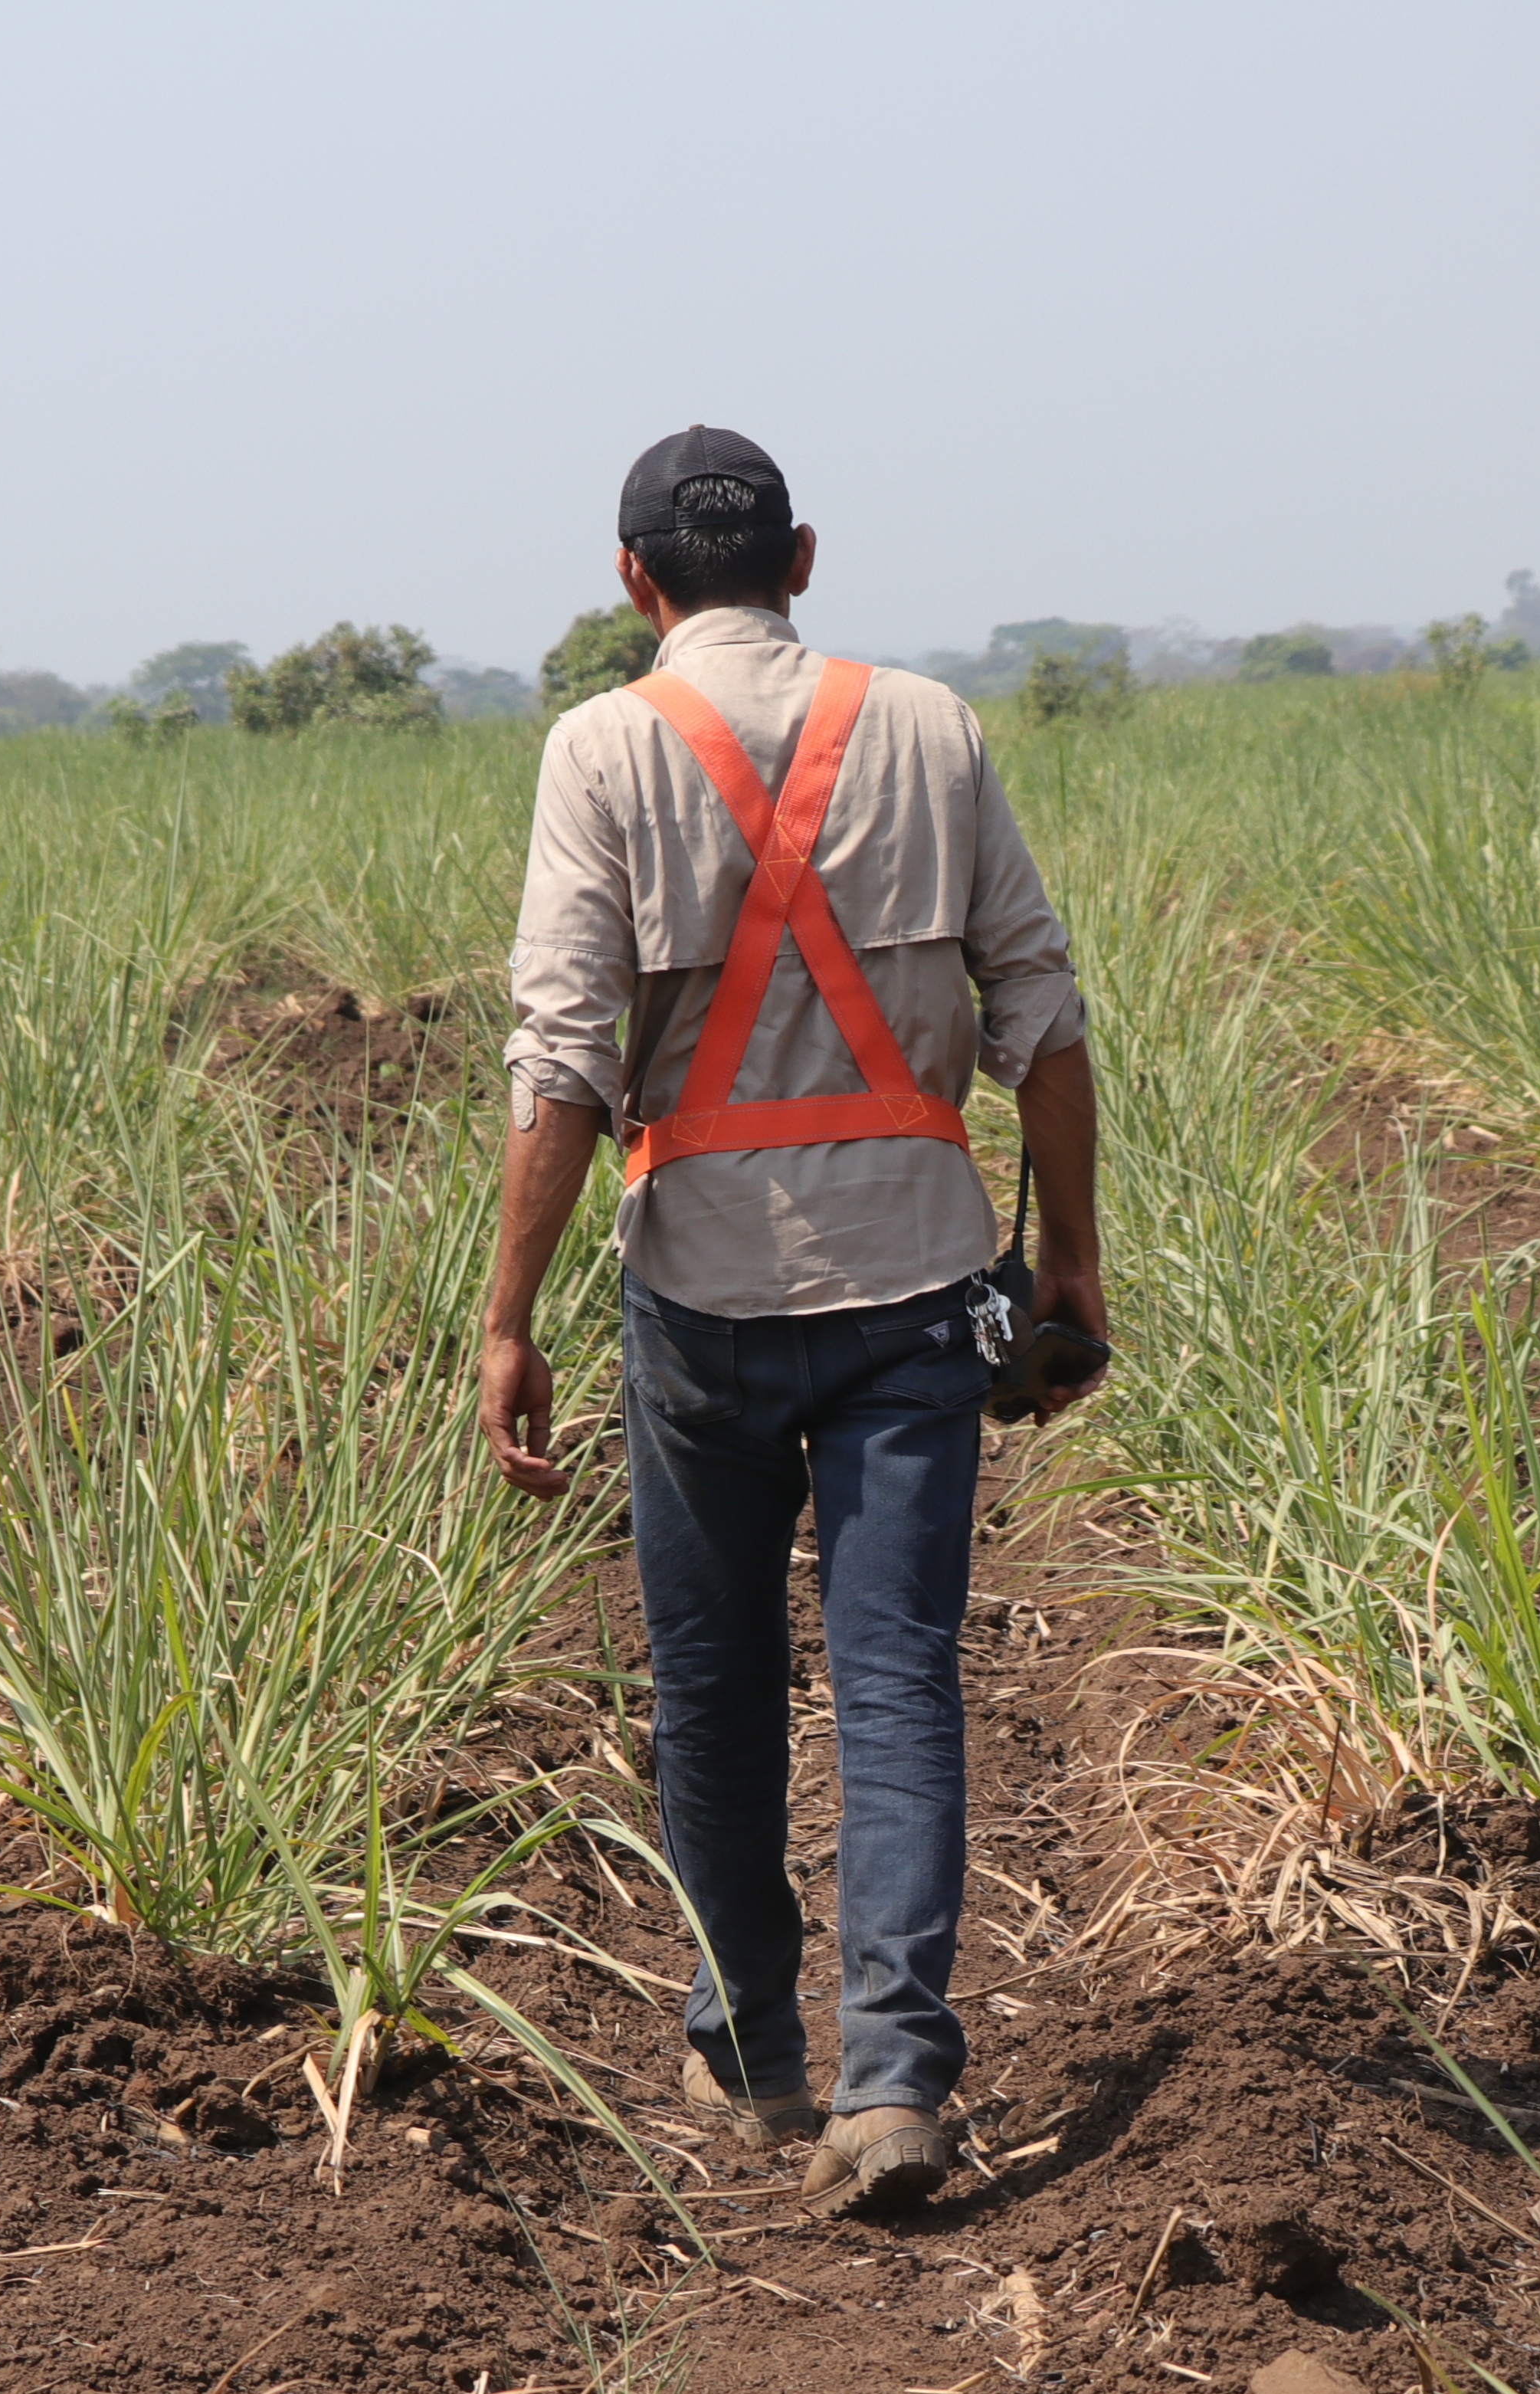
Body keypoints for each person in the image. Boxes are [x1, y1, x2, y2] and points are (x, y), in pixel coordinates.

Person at [476, 425, 1106, 2215]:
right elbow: (1043, 1017)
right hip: (921, 1284)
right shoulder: (930, 725)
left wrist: (510, 1312)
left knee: (716, 1676)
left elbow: (562, 1066)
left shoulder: (598, 750)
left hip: (699, 1292)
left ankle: (753, 2033)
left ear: (633, 582)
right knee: (898, 1672)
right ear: (804, 560)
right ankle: (895, 2074)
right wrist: (1072, 1260)